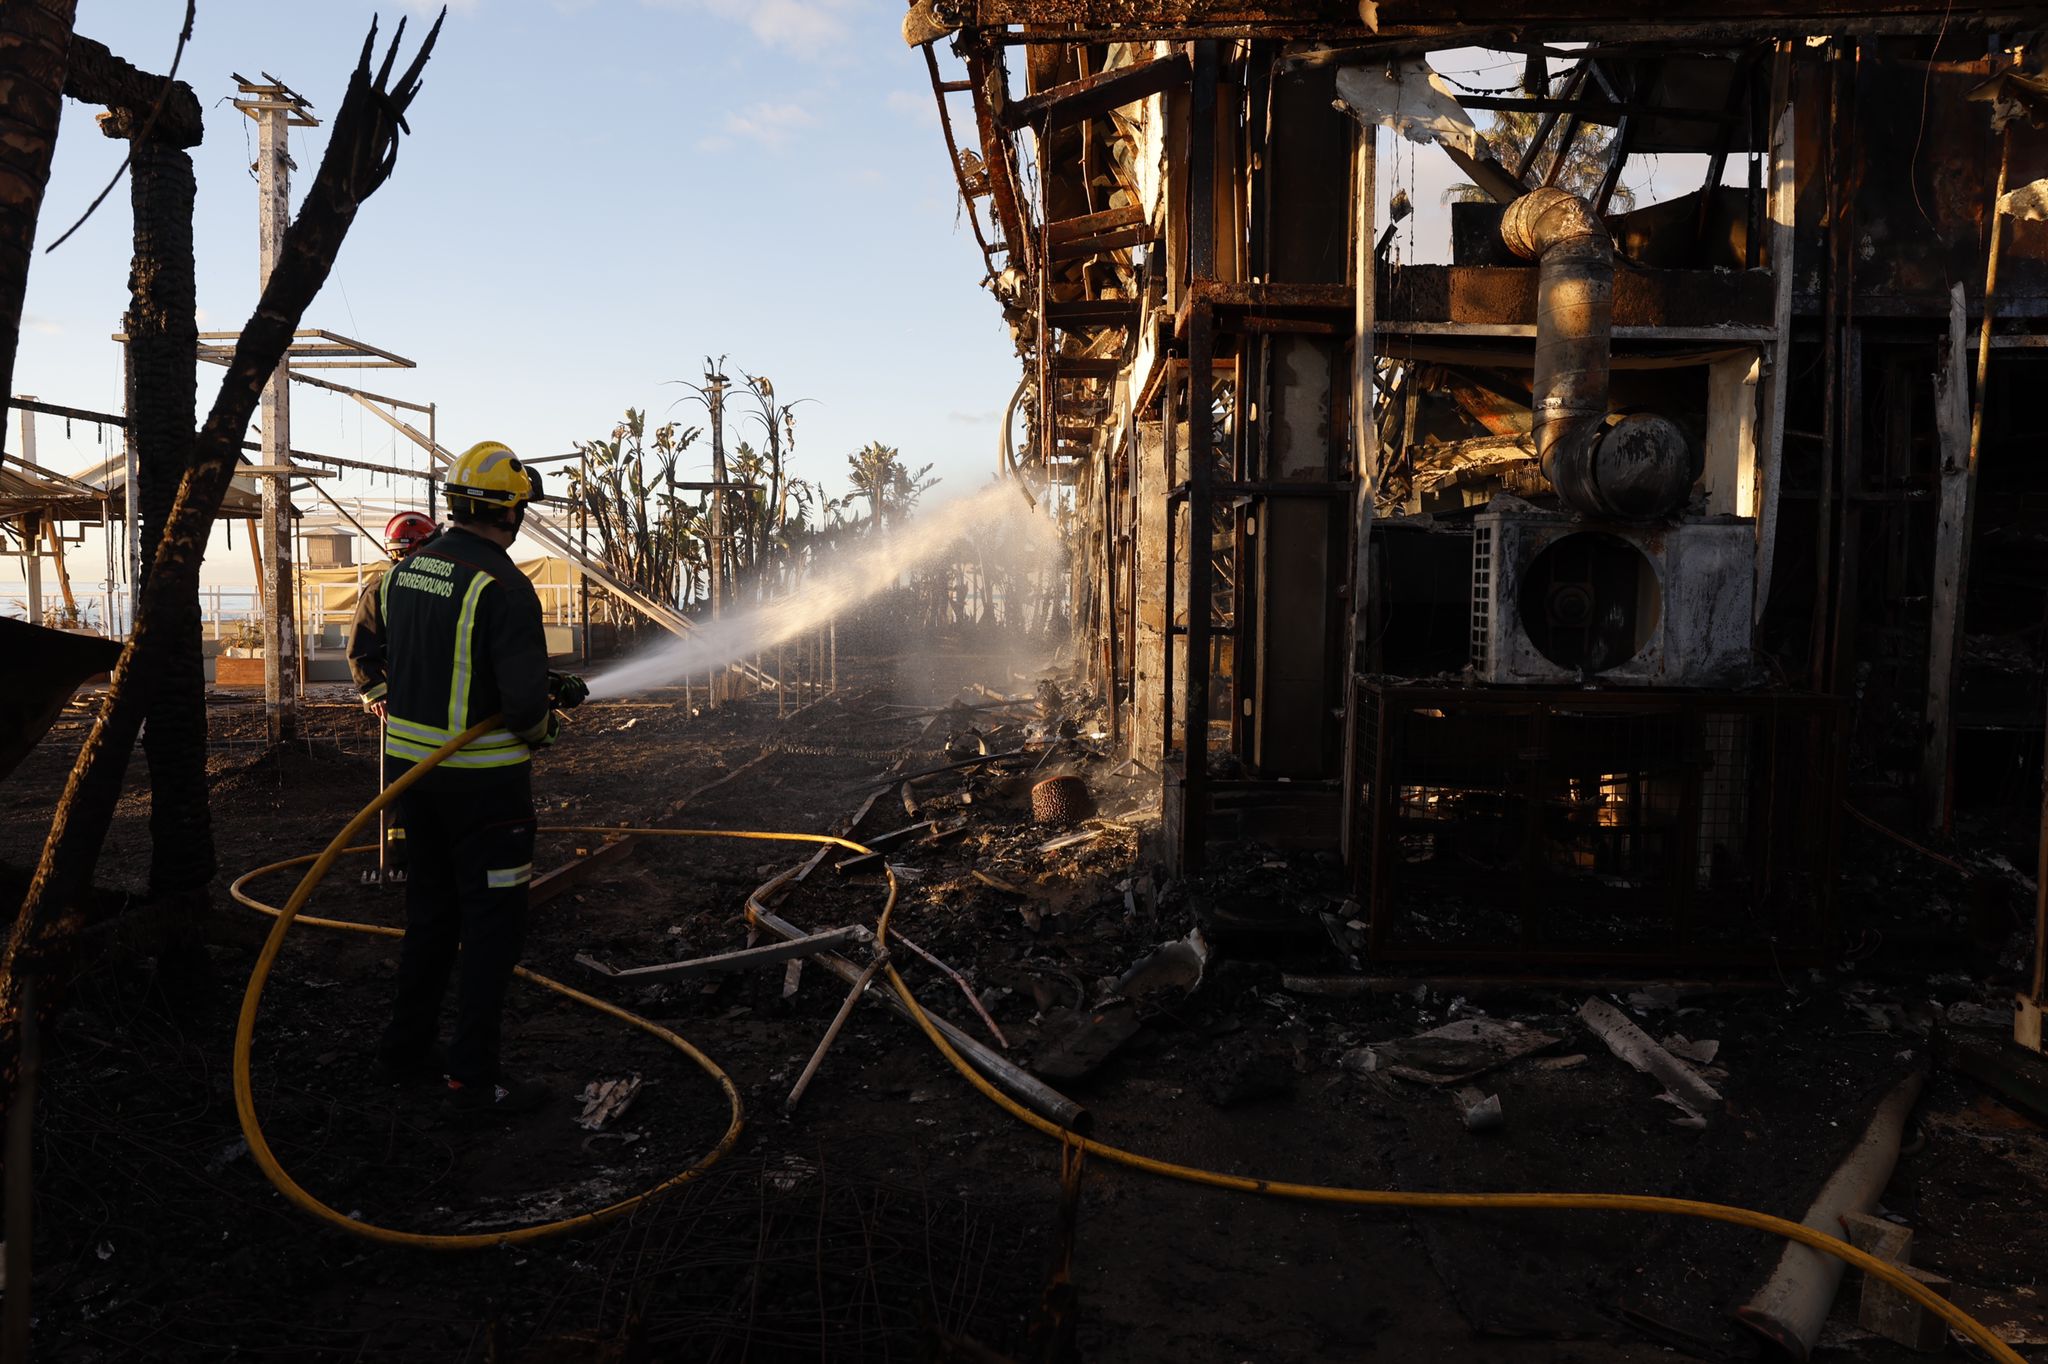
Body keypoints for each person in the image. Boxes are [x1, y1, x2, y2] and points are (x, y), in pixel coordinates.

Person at [374, 441, 558, 1114]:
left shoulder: (406, 572)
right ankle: (472, 1080)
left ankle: (404, 1051)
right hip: (486, 791)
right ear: (509, 512)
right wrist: (546, 726)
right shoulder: (504, 586)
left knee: (430, 915)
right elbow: (524, 711)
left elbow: (439, 660)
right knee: (490, 929)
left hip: (414, 782)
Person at [350, 511, 440, 875]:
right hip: (400, 704)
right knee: (401, 783)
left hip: (434, 698)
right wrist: (376, 693)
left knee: (436, 777)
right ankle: (399, 858)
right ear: (415, 547)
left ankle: (429, 849)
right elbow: (360, 649)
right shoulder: (383, 589)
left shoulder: (437, 588)